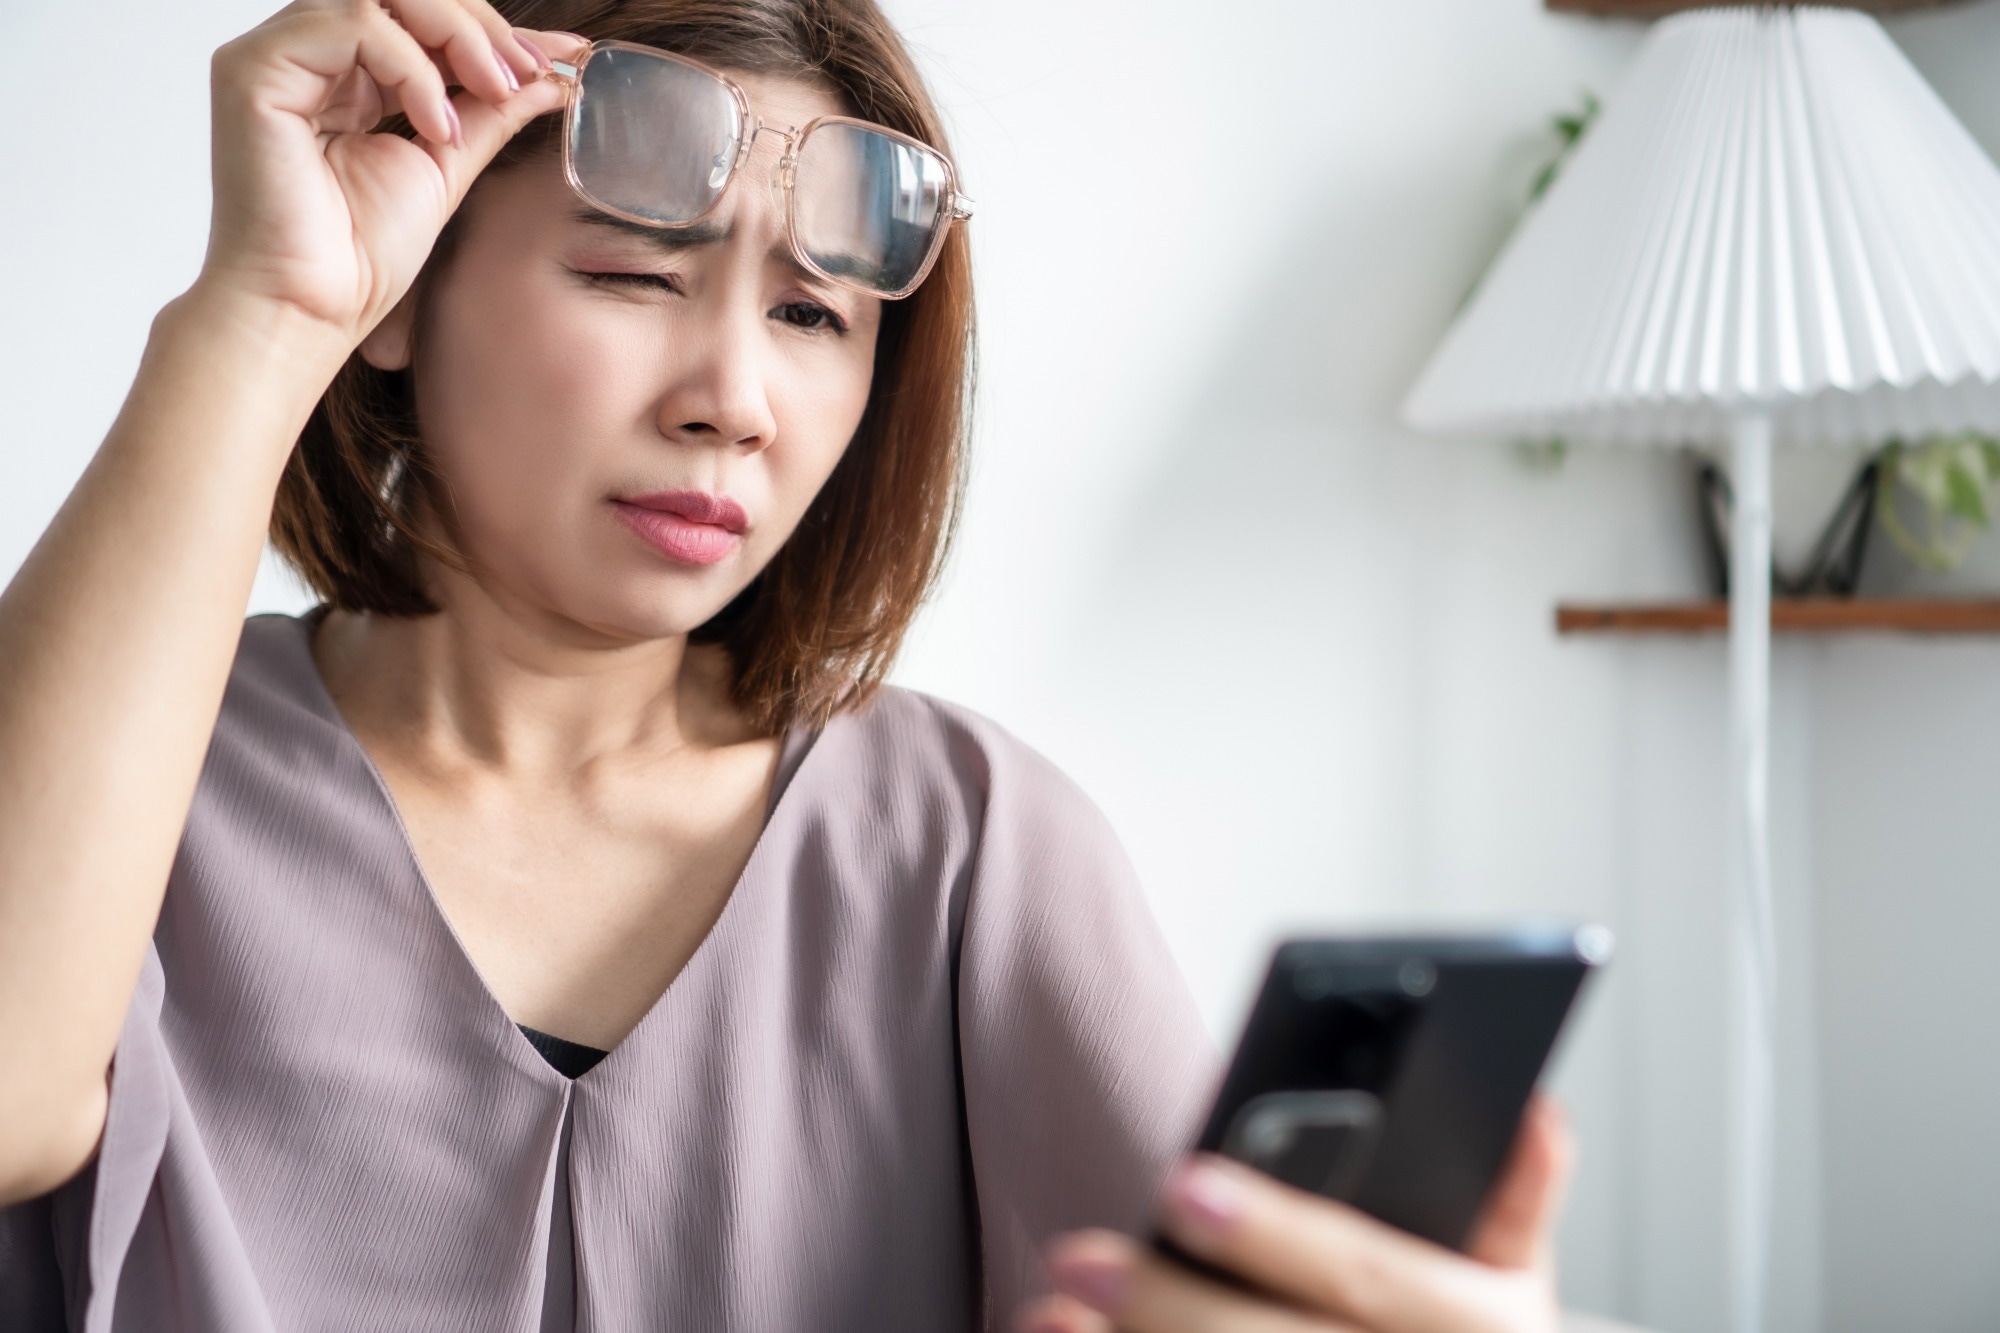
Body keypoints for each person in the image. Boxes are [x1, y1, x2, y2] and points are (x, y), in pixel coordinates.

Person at [0, 1, 1572, 1329]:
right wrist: (263, 311)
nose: (735, 398)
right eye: (632, 274)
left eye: (817, 313)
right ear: (406, 291)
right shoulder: (131, 766)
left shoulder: (965, 839)